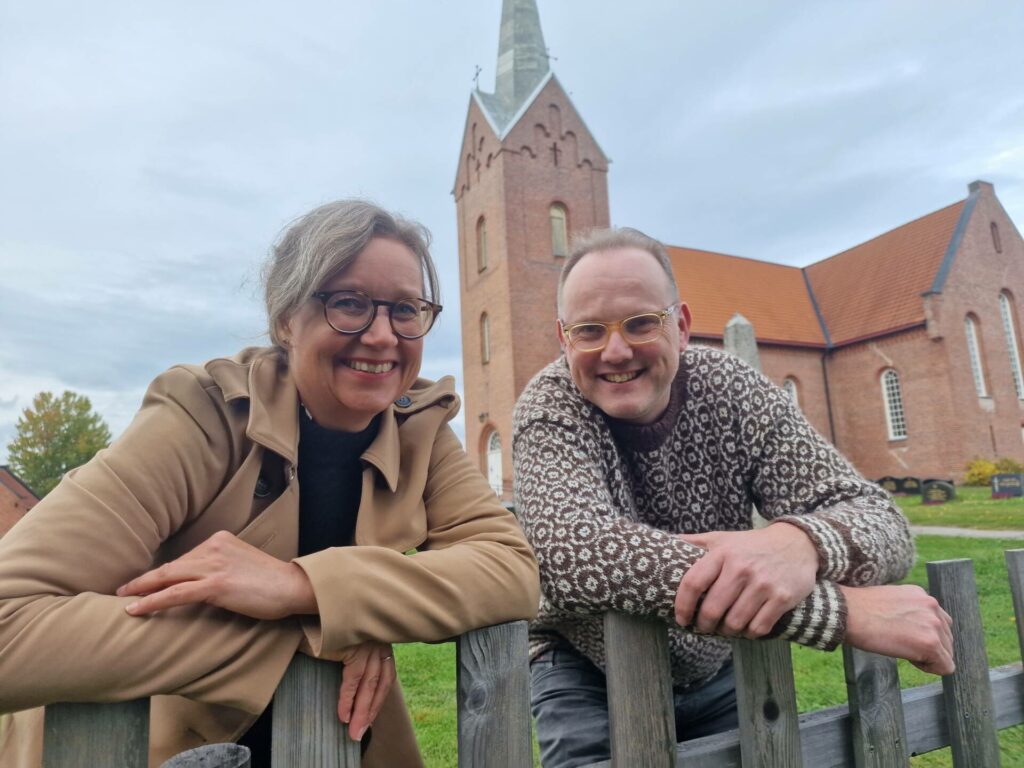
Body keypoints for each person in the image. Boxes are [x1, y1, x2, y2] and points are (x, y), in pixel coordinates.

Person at [0, 199, 540, 768]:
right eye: (349, 303)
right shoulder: (202, 414)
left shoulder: (419, 428)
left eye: (405, 309)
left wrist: (299, 588)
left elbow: (509, 570)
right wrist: (309, 633)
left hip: (333, 742)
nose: (383, 336)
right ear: (285, 319)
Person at [512, 226, 953, 768]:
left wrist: (801, 542)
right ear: (564, 338)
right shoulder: (549, 408)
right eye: (589, 330)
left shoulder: (732, 390)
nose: (616, 349)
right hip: (583, 663)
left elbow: (880, 519)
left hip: (715, 664)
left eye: (641, 322)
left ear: (681, 324)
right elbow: (572, 555)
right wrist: (833, 612)